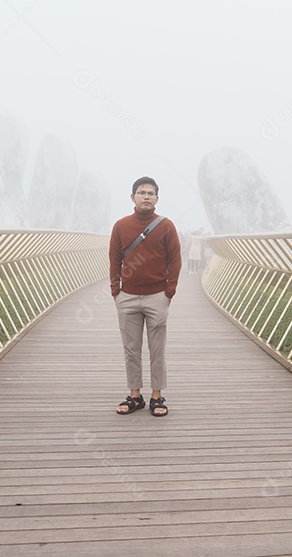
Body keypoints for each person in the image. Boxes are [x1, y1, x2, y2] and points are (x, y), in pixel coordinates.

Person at [109, 176, 181, 417]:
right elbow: (114, 260)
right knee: (131, 348)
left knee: (157, 349)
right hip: (127, 296)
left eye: (151, 193)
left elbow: (175, 260)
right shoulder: (120, 226)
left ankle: (157, 396)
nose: (146, 196)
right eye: (142, 192)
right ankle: (135, 395)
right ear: (133, 197)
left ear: (157, 199)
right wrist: (115, 291)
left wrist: (168, 292)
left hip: (157, 296)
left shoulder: (166, 226)